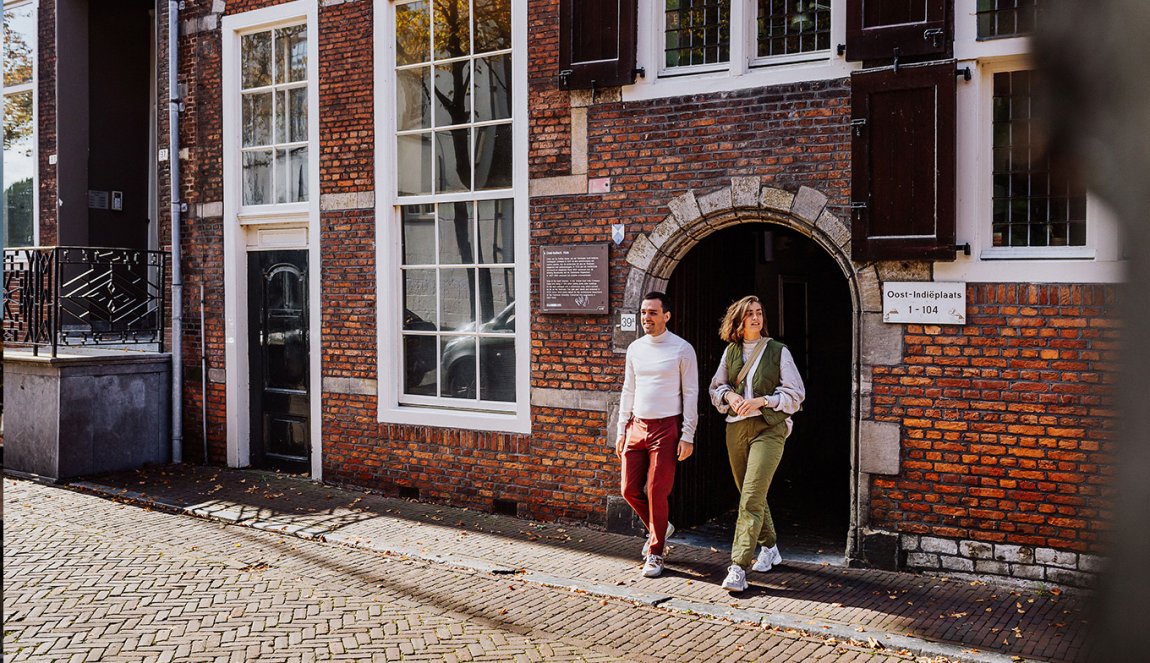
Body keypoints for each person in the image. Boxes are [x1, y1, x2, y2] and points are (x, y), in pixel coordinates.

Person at [708, 295, 805, 592]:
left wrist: (763, 400)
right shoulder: (731, 352)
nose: (755, 318)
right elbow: (716, 388)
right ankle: (770, 546)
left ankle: (738, 567)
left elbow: (796, 394)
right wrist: (730, 397)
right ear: (738, 320)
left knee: (749, 497)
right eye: (749, 313)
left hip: (769, 428)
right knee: (751, 493)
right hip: (736, 430)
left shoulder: (778, 351)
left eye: (759, 312)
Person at [616, 291, 699, 578]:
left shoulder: (682, 349)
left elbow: (691, 393)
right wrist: (621, 430)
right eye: (642, 312)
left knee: (656, 490)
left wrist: (687, 434)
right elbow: (628, 390)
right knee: (628, 489)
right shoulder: (635, 349)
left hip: (666, 428)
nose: (646, 318)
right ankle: (659, 526)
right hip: (636, 426)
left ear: (666, 315)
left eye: (652, 312)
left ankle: (655, 552)